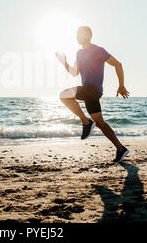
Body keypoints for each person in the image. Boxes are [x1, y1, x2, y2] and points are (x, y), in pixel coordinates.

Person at [56, 26, 130, 163]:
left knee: (63, 95)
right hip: (89, 94)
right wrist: (64, 62)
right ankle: (121, 149)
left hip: (93, 91)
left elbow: (118, 65)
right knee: (100, 123)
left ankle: (86, 122)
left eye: (78, 34)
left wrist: (121, 85)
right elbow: (74, 72)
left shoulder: (98, 51)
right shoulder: (79, 53)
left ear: (87, 34)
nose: (76, 37)